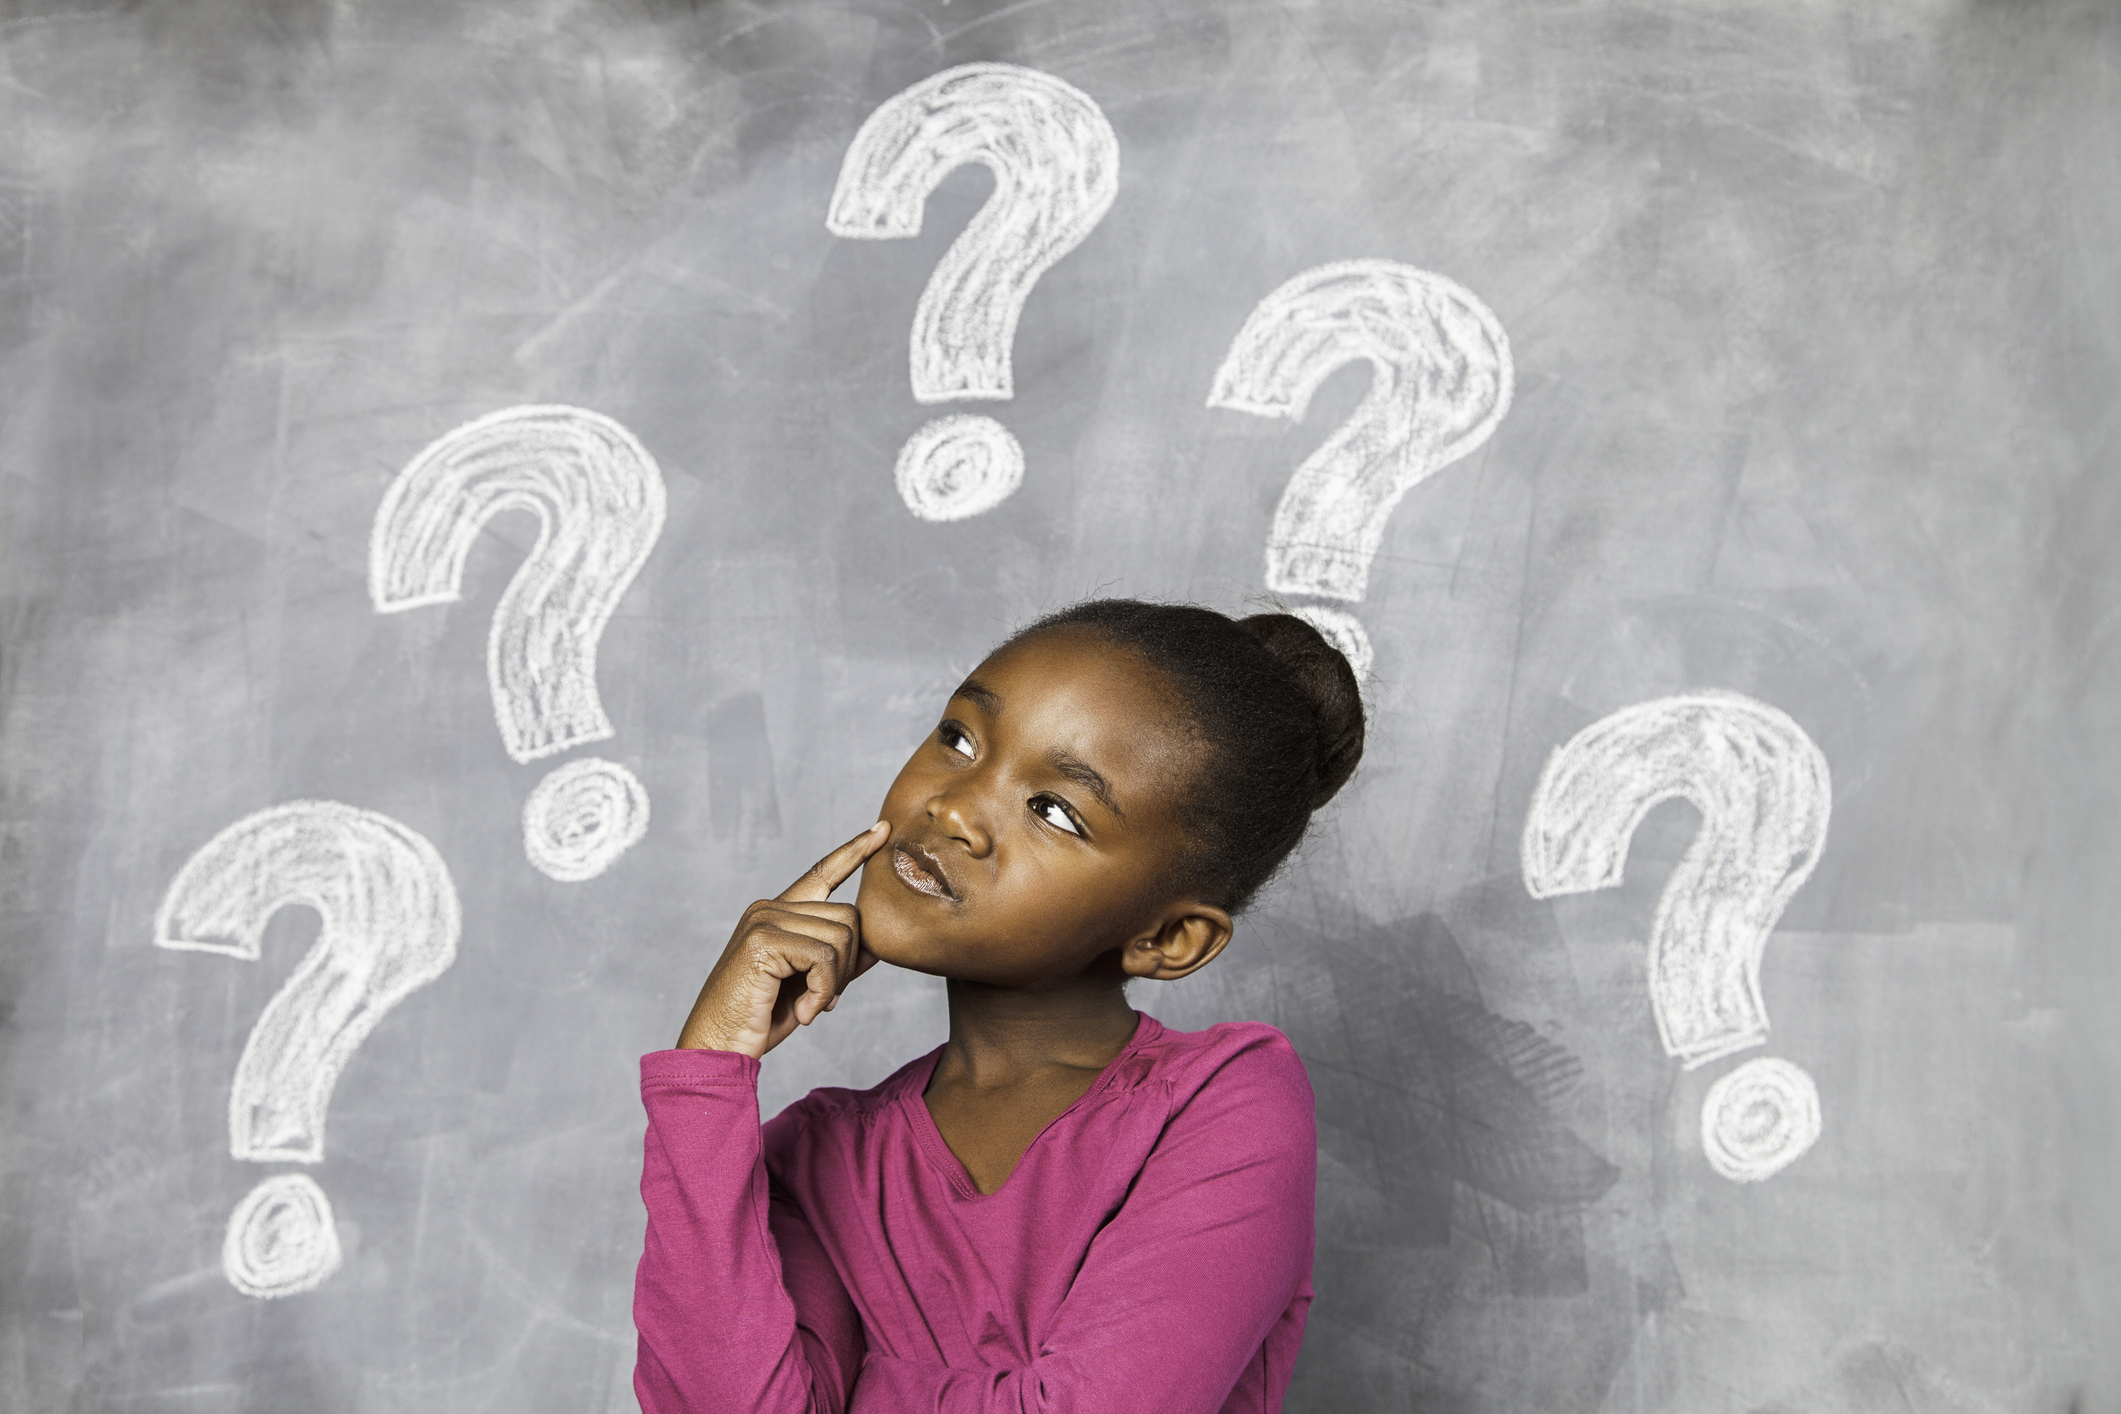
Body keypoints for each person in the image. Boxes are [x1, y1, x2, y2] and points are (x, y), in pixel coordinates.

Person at [633, 599, 1365, 1412]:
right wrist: (704, 1076)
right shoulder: (817, 1155)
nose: (952, 807)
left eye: (1054, 810)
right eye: (959, 739)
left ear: (1168, 939)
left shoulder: (1224, 1103)